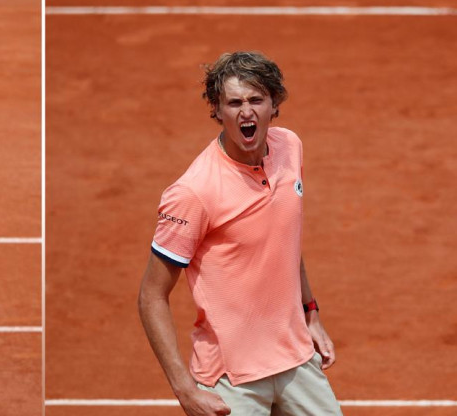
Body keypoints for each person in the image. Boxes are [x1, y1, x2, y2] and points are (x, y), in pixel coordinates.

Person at [137, 51, 342, 415]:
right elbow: (152, 296)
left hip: (296, 360)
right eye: (233, 103)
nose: (245, 112)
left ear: (274, 104)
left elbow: (285, 238)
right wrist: (185, 390)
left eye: (256, 100)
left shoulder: (289, 148)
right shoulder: (193, 192)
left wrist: (310, 312)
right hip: (231, 380)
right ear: (217, 110)